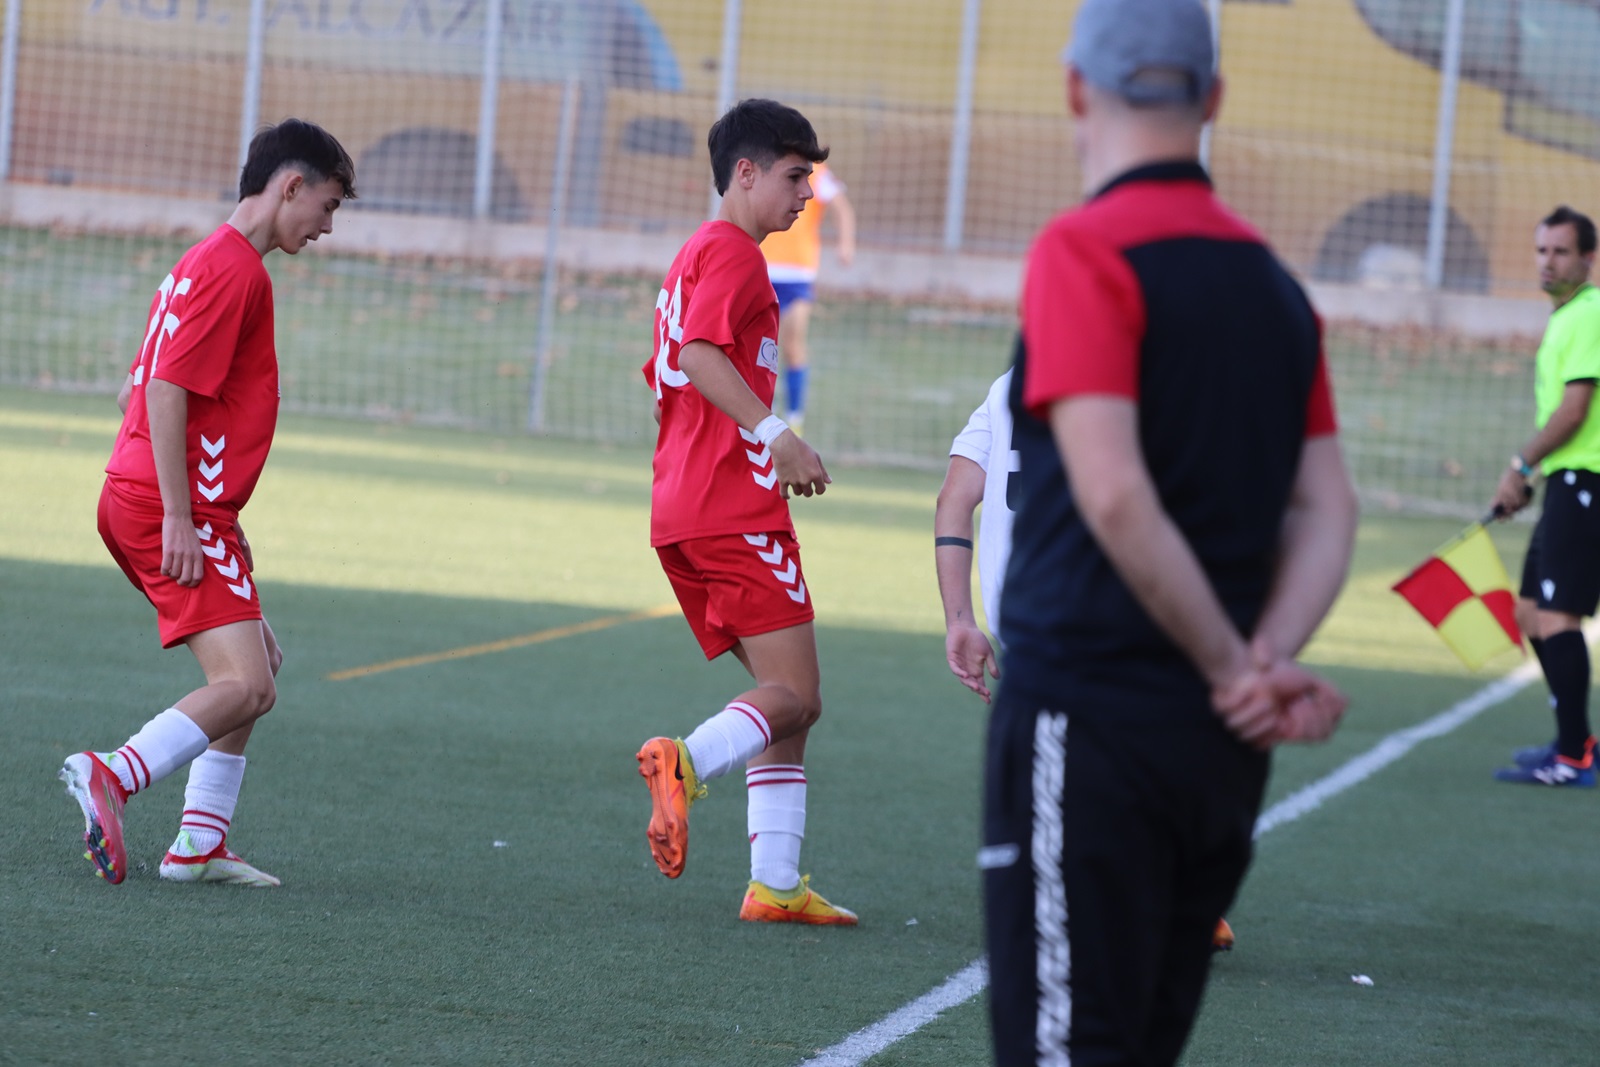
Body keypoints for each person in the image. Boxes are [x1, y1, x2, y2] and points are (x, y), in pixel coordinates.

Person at [981, 1, 1359, 1064]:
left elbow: (1113, 492)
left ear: (1074, 88)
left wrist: (1231, 662)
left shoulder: (1084, 250)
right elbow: (1329, 507)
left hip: (1091, 717)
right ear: (1214, 98)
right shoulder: (1275, 287)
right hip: (1220, 749)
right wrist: (1260, 662)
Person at [60, 119, 356, 887]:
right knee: (248, 683)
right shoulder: (236, 271)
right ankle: (113, 774)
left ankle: (199, 842)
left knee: (260, 662)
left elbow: (132, 387)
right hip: (165, 506)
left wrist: (203, 510)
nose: (327, 227)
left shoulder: (198, 261)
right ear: (291, 186)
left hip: (155, 498)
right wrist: (182, 514)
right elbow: (164, 389)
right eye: (326, 206)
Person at [636, 98, 856, 925]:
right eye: (795, 177)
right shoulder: (732, 255)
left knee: (784, 697)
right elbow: (696, 355)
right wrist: (775, 435)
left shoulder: (696, 253)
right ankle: (685, 762)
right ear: (746, 172)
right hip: (731, 508)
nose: (806, 195)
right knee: (796, 693)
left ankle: (775, 883)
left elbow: (661, 371)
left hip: (684, 505)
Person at [935, 368, 1237, 952]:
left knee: (1058, 770)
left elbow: (954, 500)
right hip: (1113, 614)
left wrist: (960, 620)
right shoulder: (1133, 379)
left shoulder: (1007, 386)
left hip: (1023, 625)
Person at [1489, 205, 1600, 787]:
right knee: (1531, 611)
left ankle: (1574, 757)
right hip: (1567, 480)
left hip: (1588, 480)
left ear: (1589, 258)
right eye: (1541, 251)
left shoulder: (1589, 313)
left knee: (1558, 614)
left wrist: (1520, 466)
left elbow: (1574, 411)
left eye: (1561, 251)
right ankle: (1574, 742)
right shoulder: (1566, 317)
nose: (1547, 262)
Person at [758, 160, 856, 434]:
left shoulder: (818, 173)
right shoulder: (768, 163)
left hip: (798, 274)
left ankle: (795, 419)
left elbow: (842, 207)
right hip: (762, 268)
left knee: (792, 345)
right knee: (760, 348)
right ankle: (763, 416)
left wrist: (846, 243)